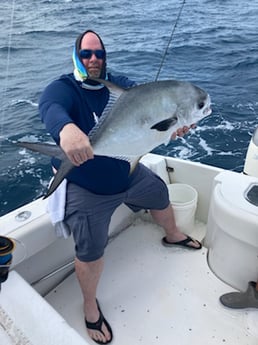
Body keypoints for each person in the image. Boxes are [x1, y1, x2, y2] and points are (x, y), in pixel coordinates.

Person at [39, 29, 202, 344]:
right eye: (86, 54)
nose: (94, 60)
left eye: (99, 54)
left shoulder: (121, 86)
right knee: (90, 251)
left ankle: (174, 235)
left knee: (160, 194)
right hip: (88, 188)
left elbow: (151, 109)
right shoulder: (64, 89)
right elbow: (50, 107)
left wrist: (172, 126)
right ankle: (90, 308)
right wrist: (66, 129)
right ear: (76, 55)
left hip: (128, 173)